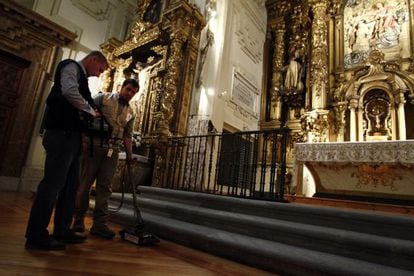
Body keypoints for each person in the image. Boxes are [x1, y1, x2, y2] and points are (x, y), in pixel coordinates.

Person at [25, 51, 109, 250]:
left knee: (71, 187)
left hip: (72, 138)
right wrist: (90, 111)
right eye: (100, 69)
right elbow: (69, 91)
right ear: (94, 59)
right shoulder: (70, 66)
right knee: (52, 185)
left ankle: (62, 229)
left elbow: (83, 99)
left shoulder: (84, 80)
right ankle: (36, 234)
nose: (98, 74)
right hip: (61, 135)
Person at [73, 79, 139, 239]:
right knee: (85, 183)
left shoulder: (131, 112)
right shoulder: (102, 98)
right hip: (93, 146)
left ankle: (99, 224)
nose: (129, 94)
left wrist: (130, 156)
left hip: (113, 150)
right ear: (122, 87)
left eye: (133, 92)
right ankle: (78, 220)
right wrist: (82, 140)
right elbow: (83, 115)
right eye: (128, 89)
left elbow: (128, 136)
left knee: (105, 187)